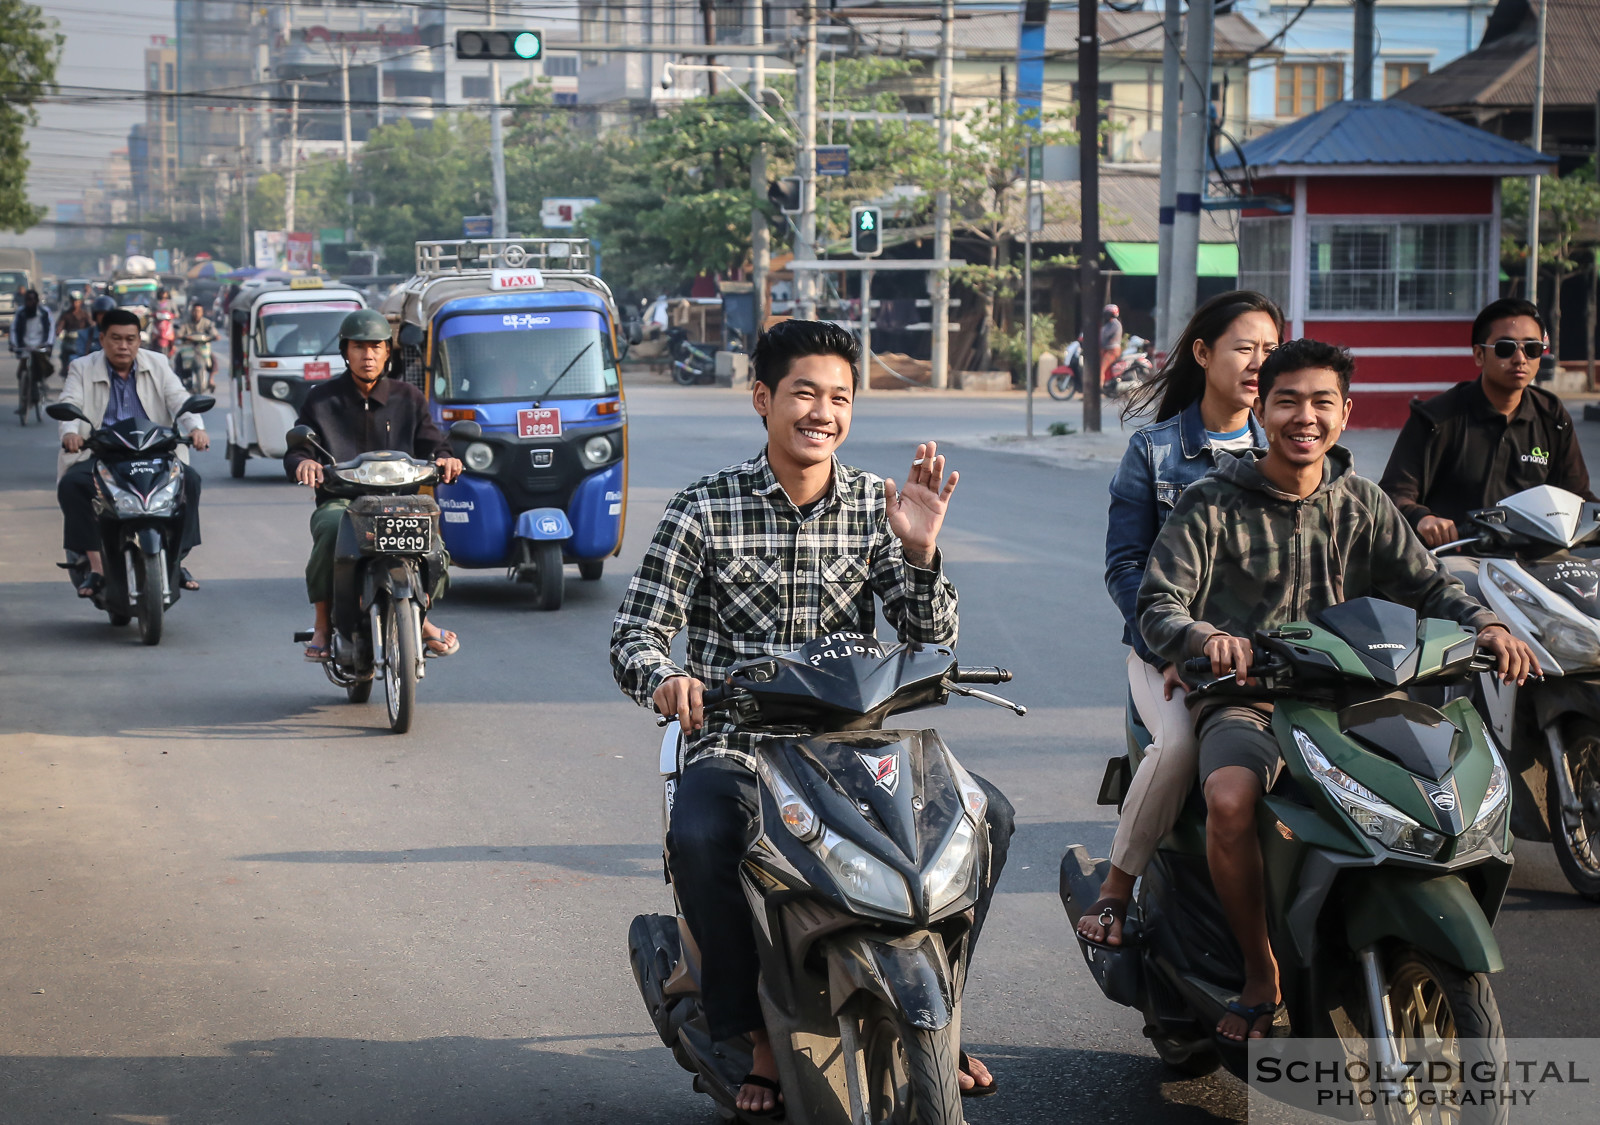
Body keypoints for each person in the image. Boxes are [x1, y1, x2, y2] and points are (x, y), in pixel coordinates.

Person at [610, 319, 1013, 1115]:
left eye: (839, 397)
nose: (821, 411)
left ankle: (938, 1010)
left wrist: (922, 553)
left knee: (988, 816)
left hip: (856, 745)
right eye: (804, 392)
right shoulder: (704, 508)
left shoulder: (876, 505)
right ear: (763, 398)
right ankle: (751, 1032)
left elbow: (931, 642)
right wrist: (667, 677)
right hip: (741, 745)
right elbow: (636, 632)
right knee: (701, 835)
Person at [1137, 338, 1540, 1042]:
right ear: (1260, 411)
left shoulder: (1363, 502)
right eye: (1287, 401)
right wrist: (1205, 638)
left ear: (1346, 413)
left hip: (1360, 693)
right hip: (1252, 695)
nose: (1305, 416)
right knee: (1230, 799)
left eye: (1322, 401)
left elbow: (1427, 586)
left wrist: (1488, 626)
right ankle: (1263, 973)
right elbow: (1160, 602)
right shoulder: (1211, 502)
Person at [1077, 291, 1283, 949]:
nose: (1259, 363)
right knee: (1181, 745)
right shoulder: (1155, 451)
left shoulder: (1284, 447)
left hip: (1269, 654)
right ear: (1203, 353)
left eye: (1270, 351)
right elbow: (1124, 568)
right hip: (1164, 650)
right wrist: (1170, 647)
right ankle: (1116, 888)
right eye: (1245, 347)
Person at [283, 308, 463, 663]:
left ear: (387, 352)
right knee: (330, 531)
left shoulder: (408, 397)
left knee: (434, 544)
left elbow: (434, 443)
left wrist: (446, 458)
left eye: (376, 347)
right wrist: (304, 462)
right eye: (359, 347)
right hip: (343, 503)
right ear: (345, 351)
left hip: (401, 501)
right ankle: (322, 624)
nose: (368, 355)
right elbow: (298, 449)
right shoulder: (321, 399)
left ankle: (421, 620)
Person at [1379, 297, 1595, 566]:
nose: (1520, 358)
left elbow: (1578, 498)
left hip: (1538, 562)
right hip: (1460, 561)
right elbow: (1393, 494)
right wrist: (1423, 519)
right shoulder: (1436, 418)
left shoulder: (1553, 416)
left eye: (1532, 348)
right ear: (1479, 355)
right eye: (1505, 348)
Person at [56, 309, 209, 596]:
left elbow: (180, 400)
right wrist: (71, 434)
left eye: (130, 339)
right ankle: (96, 566)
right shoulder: (81, 367)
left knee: (191, 480)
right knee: (73, 484)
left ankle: (176, 560)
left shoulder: (159, 363)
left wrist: (196, 429)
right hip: (102, 454)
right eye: (115, 338)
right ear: (102, 339)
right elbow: (70, 404)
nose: (123, 346)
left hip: (153, 453)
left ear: (140, 340)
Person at [10, 288, 58, 406]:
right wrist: (13, 344)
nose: (29, 302)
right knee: (21, 373)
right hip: (25, 346)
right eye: (27, 300)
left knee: (40, 368)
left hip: (39, 346)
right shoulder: (20, 313)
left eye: (32, 300)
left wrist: (48, 344)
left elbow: (51, 329)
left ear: (36, 301)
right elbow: (14, 330)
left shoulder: (44, 312)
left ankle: (39, 387)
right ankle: (24, 398)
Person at [180, 301, 219, 392]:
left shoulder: (207, 323)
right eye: (194, 311)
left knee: (213, 359)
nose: (196, 313)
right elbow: (179, 333)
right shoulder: (186, 322)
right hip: (188, 348)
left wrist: (214, 337)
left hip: (203, 348)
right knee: (178, 358)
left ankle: (211, 380)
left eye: (198, 311)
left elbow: (215, 333)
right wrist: (184, 337)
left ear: (202, 312)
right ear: (191, 312)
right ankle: (180, 380)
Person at [1099, 303, 1123, 388]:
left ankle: (1099, 388)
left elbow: (1104, 335)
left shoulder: (1115, 324)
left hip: (1112, 351)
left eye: (1108, 314)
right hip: (1106, 349)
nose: (1106, 316)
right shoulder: (1108, 324)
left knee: (1101, 368)